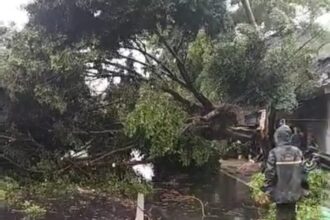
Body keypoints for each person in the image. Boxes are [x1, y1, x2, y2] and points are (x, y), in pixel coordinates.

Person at [263, 123, 309, 220]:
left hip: (280, 194)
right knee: (292, 215)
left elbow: (270, 173)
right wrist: (305, 190)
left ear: (278, 137)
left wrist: (268, 190)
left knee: (281, 216)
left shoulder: (274, 153)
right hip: (295, 193)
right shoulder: (297, 152)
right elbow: (304, 172)